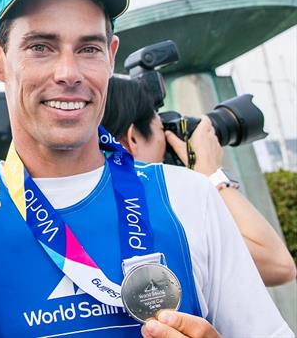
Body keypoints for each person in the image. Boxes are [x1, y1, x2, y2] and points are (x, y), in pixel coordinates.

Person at [0, 0, 293, 337]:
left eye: (89, 49)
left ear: (111, 55)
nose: (69, 73)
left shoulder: (190, 197)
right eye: (41, 47)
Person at [102, 75, 297, 287]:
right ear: (132, 139)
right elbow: (279, 266)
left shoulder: (92, 213)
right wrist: (210, 171)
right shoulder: (159, 222)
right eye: (162, 130)